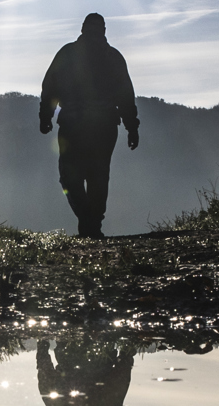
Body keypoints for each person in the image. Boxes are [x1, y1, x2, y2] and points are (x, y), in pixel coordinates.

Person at [39, 13, 139, 239]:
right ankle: (92, 224)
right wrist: (131, 127)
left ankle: (88, 222)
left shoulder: (67, 53)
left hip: (73, 124)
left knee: (70, 176)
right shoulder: (113, 57)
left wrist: (45, 116)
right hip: (104, 126)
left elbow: (50, 88)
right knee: (98, 176)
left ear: (82, 29)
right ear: (104, 30)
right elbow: (126, 96)